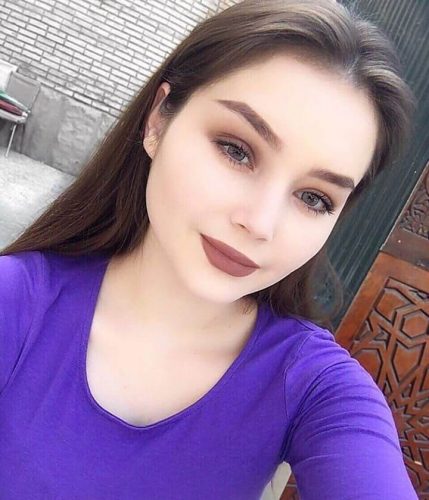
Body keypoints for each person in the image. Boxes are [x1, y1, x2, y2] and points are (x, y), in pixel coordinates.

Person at [0, 0, 417, 498]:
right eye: (236, 150)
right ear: (158, 121)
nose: (259, 223)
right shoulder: (17, 302)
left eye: (314, 198)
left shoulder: (315, 388)